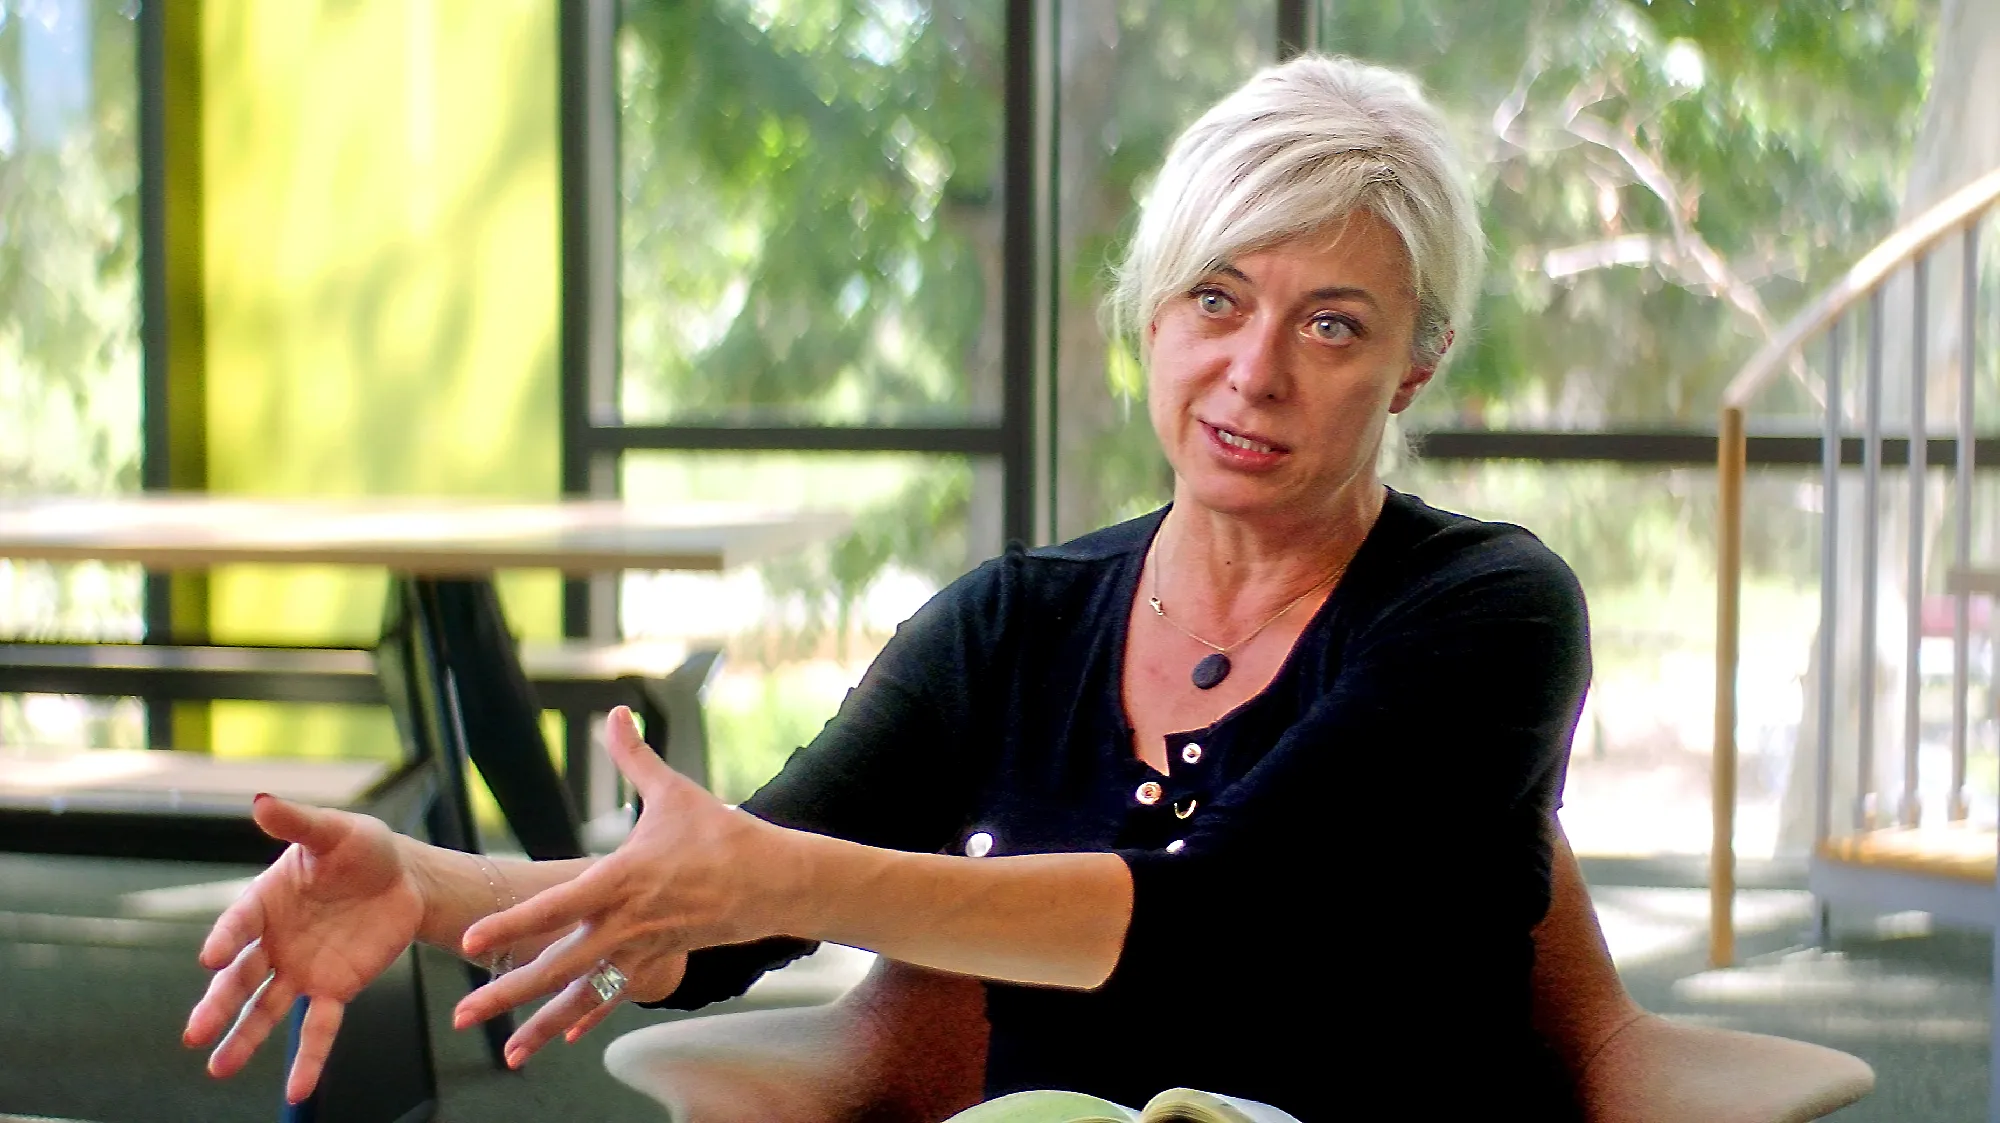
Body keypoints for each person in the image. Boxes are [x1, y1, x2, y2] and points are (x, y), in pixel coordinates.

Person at [184, 53, 1590, 1120]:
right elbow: (723, 918)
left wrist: (775, 876)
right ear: (1152, 312)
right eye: (1216, 299)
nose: (1254, 369)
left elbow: (1218, 929)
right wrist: (422, 880)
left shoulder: (1490, 608)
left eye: (1331, 325)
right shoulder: (1017, 622)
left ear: (1417, 363)